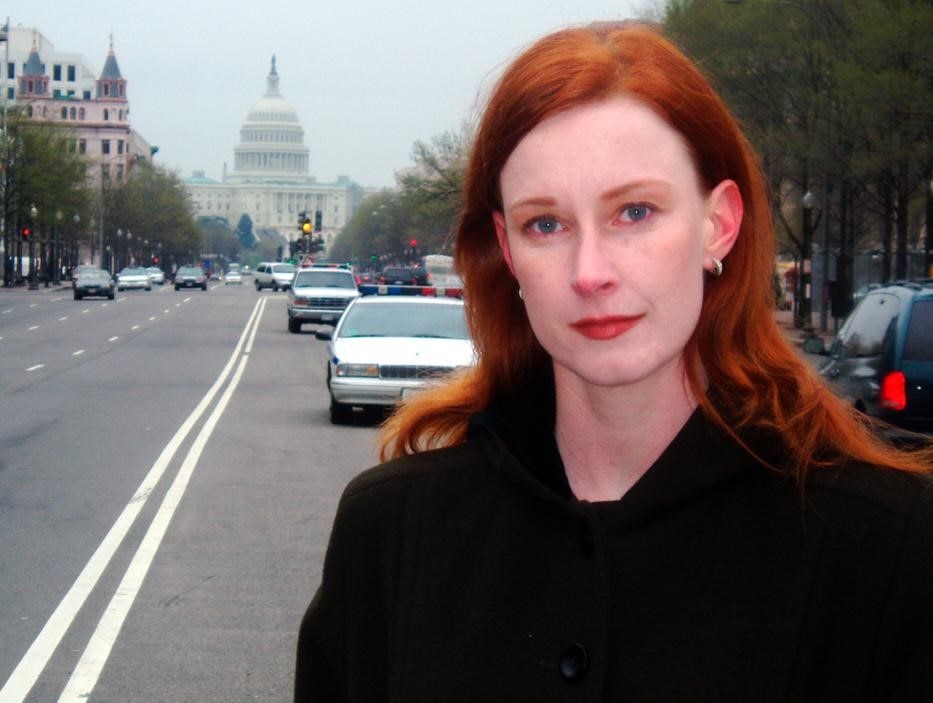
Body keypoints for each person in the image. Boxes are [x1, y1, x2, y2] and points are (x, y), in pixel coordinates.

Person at [295, 22, 932, 702]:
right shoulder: (392, 533)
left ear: (717, 224)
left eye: (634, 211)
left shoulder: (887, 542)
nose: (589, 271)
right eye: (546, 223)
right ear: (508, 253)